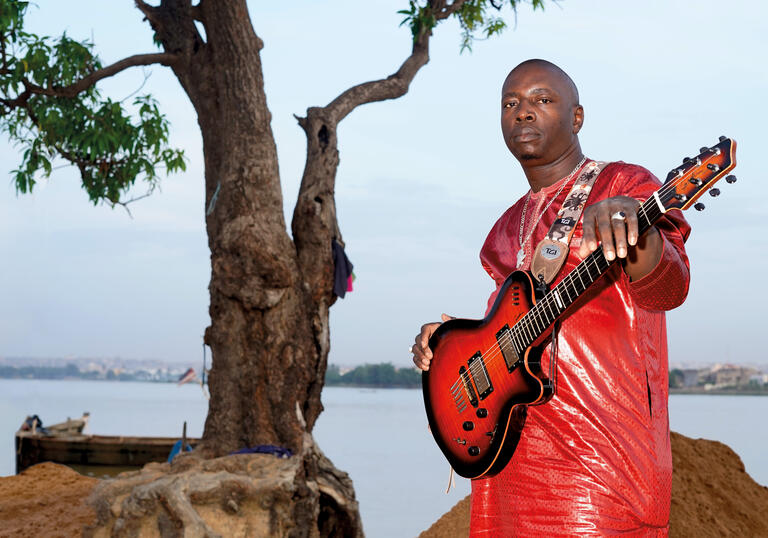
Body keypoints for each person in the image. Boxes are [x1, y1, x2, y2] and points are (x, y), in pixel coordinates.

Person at [412, 59, 690, 536]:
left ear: (576, 117)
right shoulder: (504, 227)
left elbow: (669, 286)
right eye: (510, 103)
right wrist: (450, 347)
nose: (523, 112)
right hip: (511, 458)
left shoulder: (622, 186)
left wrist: (636, 229)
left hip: (602, 464)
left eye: (542, 99)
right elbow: (504, 328)